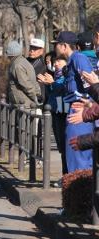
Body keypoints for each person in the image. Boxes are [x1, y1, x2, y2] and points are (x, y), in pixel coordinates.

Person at [51, 31, 94, 173]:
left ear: (64, 46)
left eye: (56, 45)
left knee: (79, 160)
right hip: (73, 112)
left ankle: (83, 193)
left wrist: (88, 104)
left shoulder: (78, 59)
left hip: (81, 115)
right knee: (73, 158)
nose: (55, 48)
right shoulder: (70, 63)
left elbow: (92, 84)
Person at [37, 55, 68, 176]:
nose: (55, 64)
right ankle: (65, 175)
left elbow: (64, 89)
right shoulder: (56, 75)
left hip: (62, 112)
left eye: (59, 61)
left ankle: (67, 175)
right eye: (55, 62)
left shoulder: (66, 74)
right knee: (61, 146)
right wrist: (47, 84)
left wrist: (52, 83)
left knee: (64, 146)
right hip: (55, 111)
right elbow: (53, 93)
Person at [6, 40, 41, 108]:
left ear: (10, 54)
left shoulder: (17, 65)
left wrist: (36, 97)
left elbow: (26, 84)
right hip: (26, 103)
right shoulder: (23, 61)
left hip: (24, 105)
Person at [27, 38, 47, 103]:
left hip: (36, 98)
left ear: (41, 51)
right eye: (31, 48)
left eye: (35, 49)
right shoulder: (26, 60)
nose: (32, 50)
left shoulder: (41, 64)